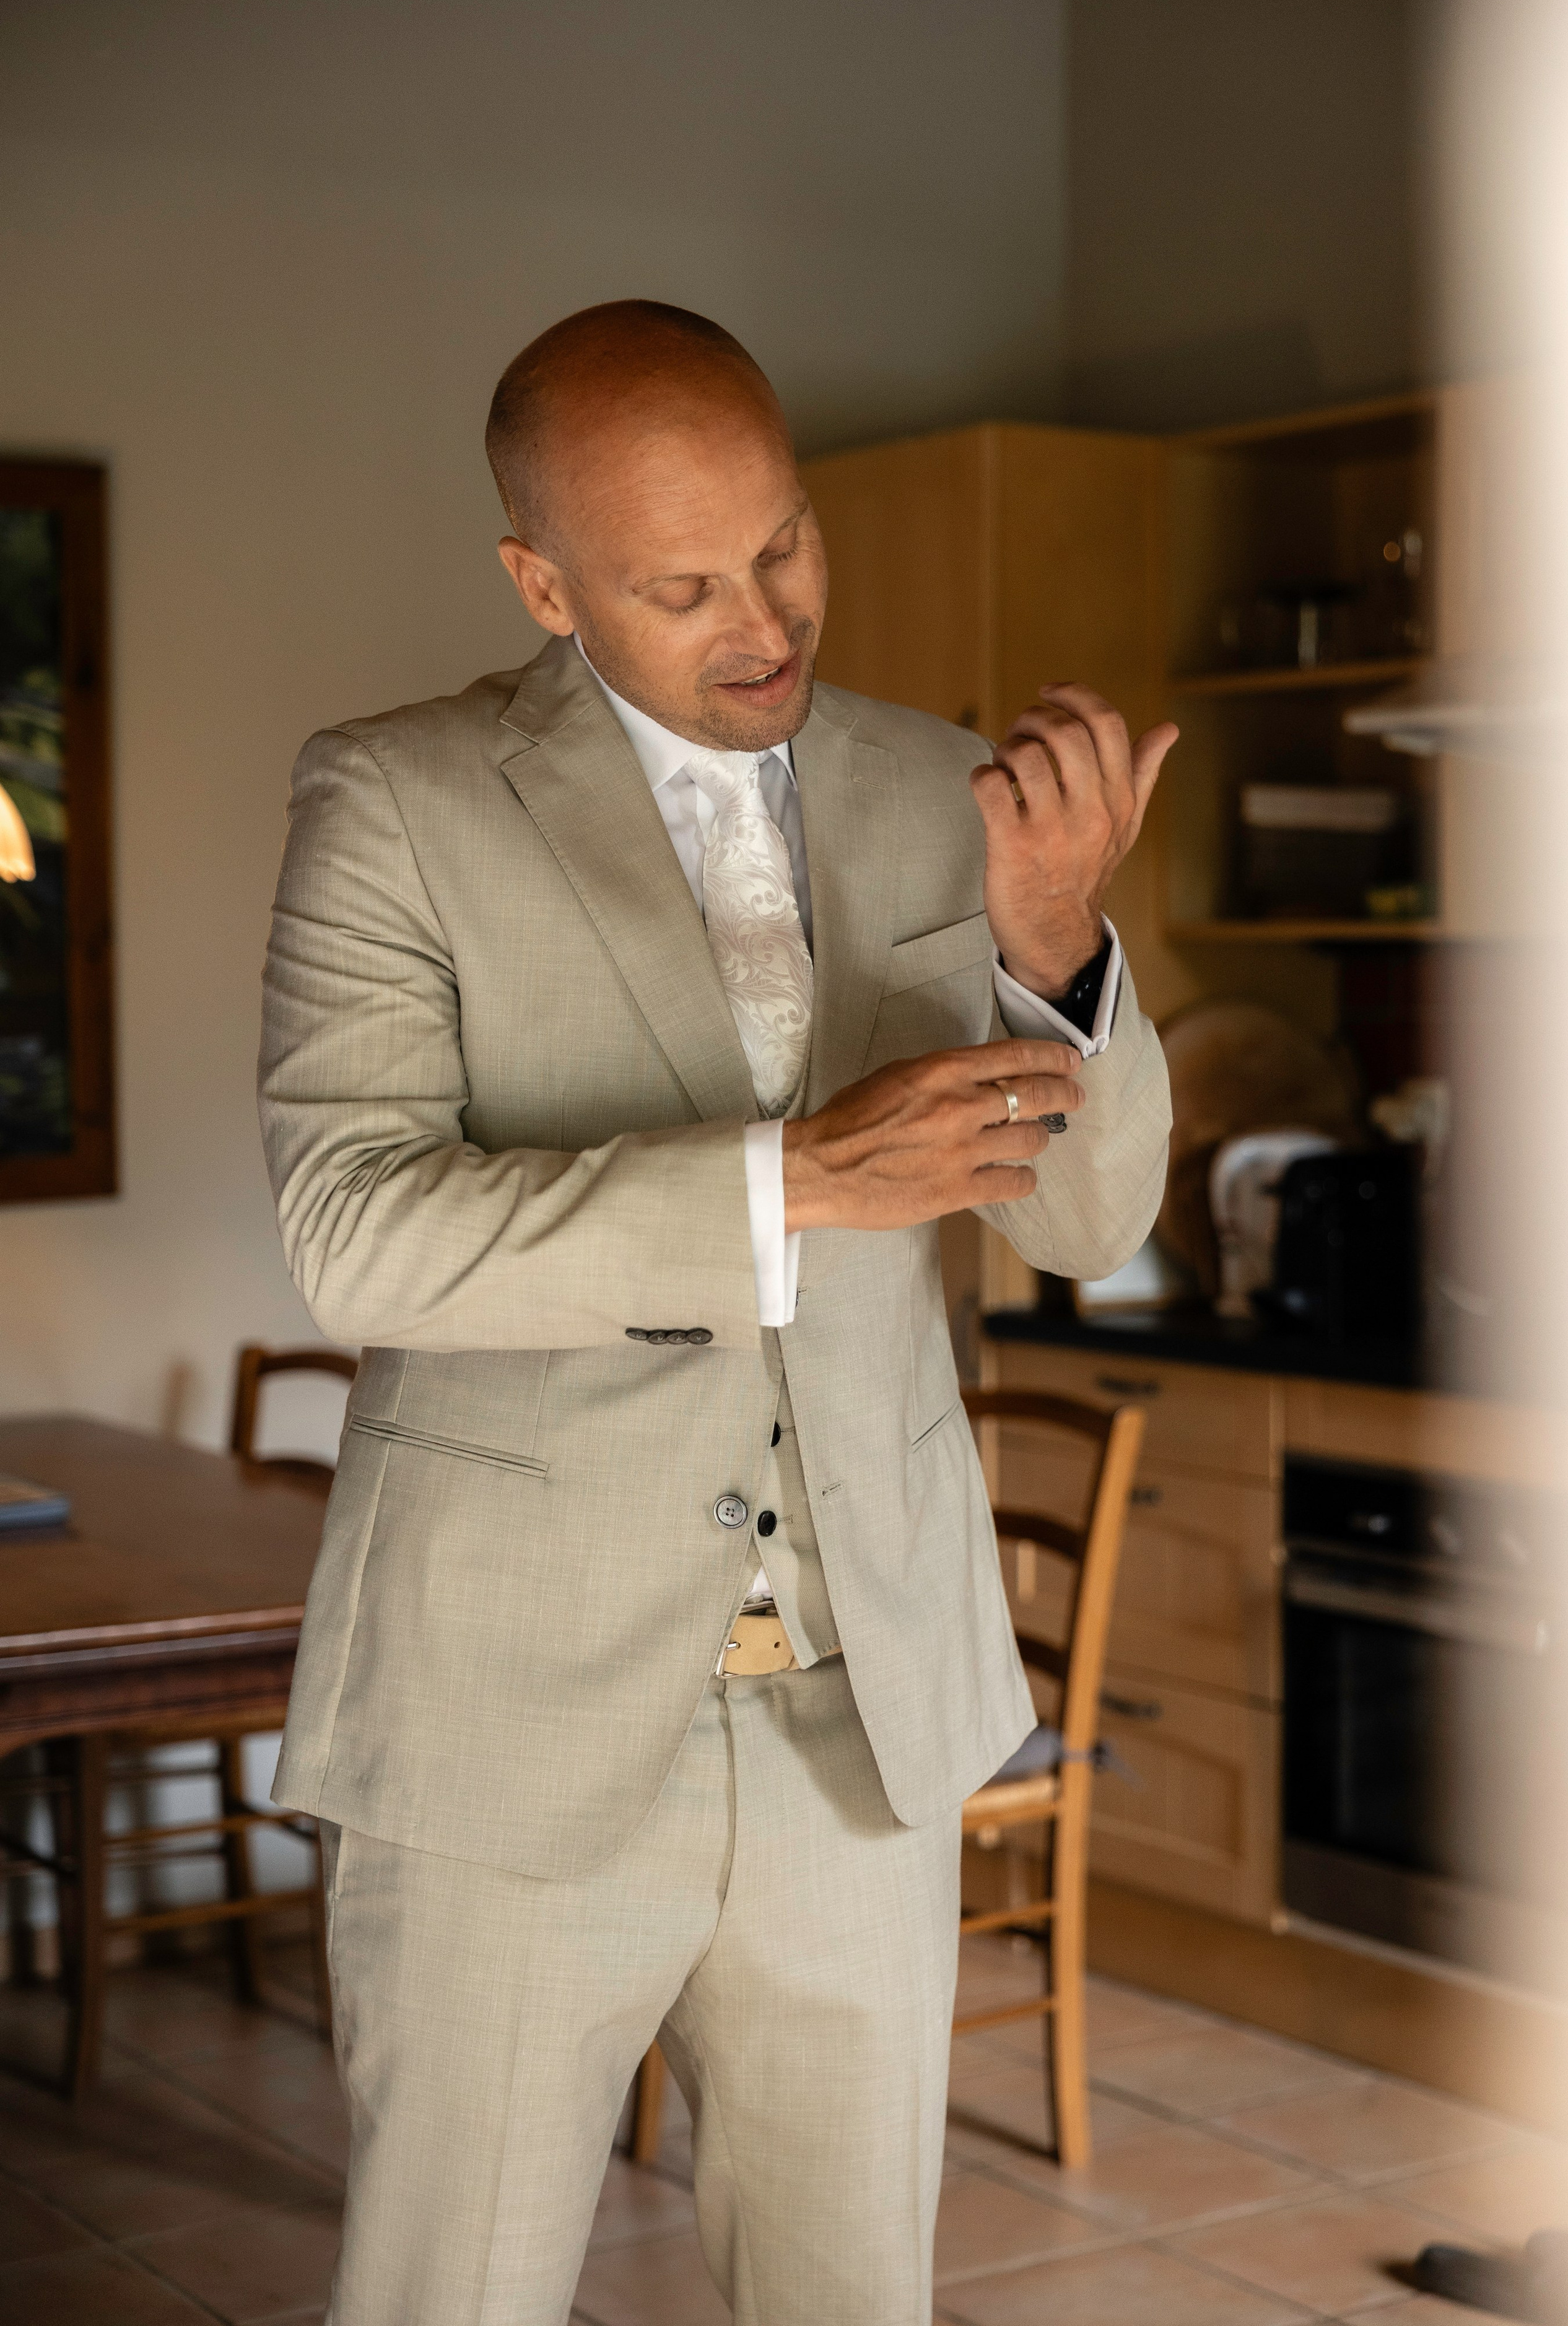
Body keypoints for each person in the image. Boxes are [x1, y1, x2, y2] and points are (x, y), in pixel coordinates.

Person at [258, 298, 1175, 2326]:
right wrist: (795, 1183)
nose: (764, 617)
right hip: (515, 1716)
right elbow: (357, 1234)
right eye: (681, 584)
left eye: (783, 546)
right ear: (544, 585)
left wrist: (1059, 950)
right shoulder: (396, 800)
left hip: (864, 1727)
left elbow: (1095, 1226)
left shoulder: (955, 793)